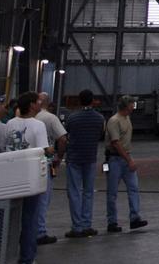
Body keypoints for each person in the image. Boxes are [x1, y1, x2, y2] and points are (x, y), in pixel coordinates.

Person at [6, 92, 52, 264]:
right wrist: (52, 151)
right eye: (38, 101)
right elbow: (43, 150)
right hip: (30, 176)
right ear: (32, 105)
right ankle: (27, 257)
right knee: (30, 218)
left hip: (12, 175)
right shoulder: (38, 125)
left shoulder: (10, 123)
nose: (40, 104)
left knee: (11, 218)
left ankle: (7, 253)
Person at [63, 89, 105, 239]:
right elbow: (100, 135)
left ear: (79, 101)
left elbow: (67, 135)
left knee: (74, 192)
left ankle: (77, 227)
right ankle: (87, 224)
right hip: (90, 157)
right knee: (88, 192)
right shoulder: (99, 118)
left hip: (74, 158)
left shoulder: (72, 118)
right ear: (92, 100)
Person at [105, 94, 147, 233]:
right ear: (126, 106)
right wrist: (129, 160)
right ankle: (112, 222)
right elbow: (115, 143)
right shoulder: (114, 121)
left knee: (133, 188)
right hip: (115, 159)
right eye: (131, 105)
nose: (133, 107)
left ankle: (134, 217)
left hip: (125, 156)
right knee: (112, 192)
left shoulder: (126, 118)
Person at [34, 91, 68, 245]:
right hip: (45, 162)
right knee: (43, 199)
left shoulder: (25, 118)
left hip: (27, 164)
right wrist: (58, 158)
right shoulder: (50, 118)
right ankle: (40, 232)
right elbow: (62, 138)